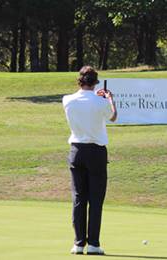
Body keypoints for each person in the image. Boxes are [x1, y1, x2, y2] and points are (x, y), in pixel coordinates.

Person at [62, 66, 117, 255]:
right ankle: (93, 244)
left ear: (80, 81)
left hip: (76, 151)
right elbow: (113, 117)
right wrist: (110, 99)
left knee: (79, 198)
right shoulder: (100, 101)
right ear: (95, 82)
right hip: (96, 152)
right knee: (95, 200)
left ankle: (78, 244)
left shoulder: (67, 100)